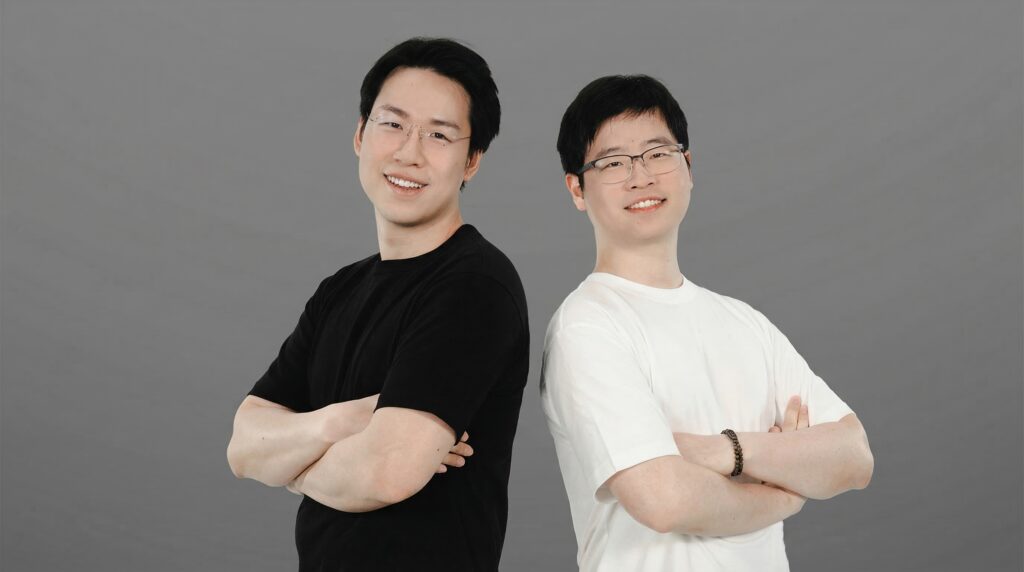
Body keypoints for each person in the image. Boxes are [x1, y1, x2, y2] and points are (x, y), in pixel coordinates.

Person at [540, 74, 874, 572]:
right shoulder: (587, 326)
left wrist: (724, 451)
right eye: (612, 163)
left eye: (658, 153)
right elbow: (664, 501)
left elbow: (853, 456)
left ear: (688, 167)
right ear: (577, 189)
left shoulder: (746, 324)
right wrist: (784, 490)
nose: (640, 177)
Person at [227, 37, 529, 571]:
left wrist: (290, 468)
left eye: (439, 134)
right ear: (360, 135)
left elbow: (385, 473)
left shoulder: (475, 286)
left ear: (472, 161)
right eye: (393, 124)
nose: (409, 152)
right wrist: (337, 423)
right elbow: (244, 447)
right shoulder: (338, 291)